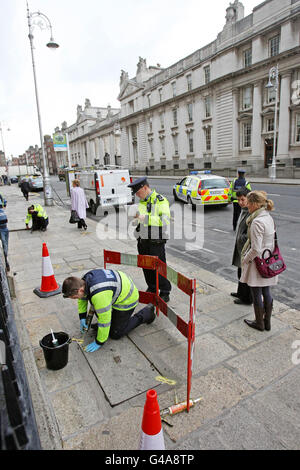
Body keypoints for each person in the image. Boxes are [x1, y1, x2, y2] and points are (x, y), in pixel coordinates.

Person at [62, 269, 156, 353]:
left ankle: (147, 313)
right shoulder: (83, 281)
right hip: (117, 290)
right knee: (99, 307)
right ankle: (111, 324)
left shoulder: (99, 295)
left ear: (81, 290)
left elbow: (105, 320)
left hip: (127, 299)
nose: (76, 299)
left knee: (116, 333)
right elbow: (83, 299)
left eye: (75, 297)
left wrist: (99, 341)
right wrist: (82, 317)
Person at [128, 177, 171, 303]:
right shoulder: (141, 202)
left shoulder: (160, 200)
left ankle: (165, 291)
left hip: (156, 242)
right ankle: (152, 287)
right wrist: (135, 220)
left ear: (145, 188)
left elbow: (165, 220)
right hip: (143, 240)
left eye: (138, 192)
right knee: (146, 266)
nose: (137, 195)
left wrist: (144, 218)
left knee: (159, 267)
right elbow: (141, 220)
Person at [240, 191, 277, 332]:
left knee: (256, 293)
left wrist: (245, 259)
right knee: (266, 290)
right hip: (268, 260)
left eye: (248, 203)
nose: (247, 205)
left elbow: (255, 248)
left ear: (255, 204)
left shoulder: (256, 222)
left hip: (258, 263)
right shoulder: (268, 217)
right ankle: (267, 323)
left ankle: (259, 323)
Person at [231, 188, 252, 305]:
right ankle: (240, 293)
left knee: (245, 274)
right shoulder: (243, 210)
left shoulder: (250, 212)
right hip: (240, 248)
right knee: (240, 272)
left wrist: (241, 238)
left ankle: (246, 298)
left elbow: (250, 234)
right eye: (238, 200)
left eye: (242, 199)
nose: (240, 202)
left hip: (246, 249)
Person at [0, 205, 10, 271]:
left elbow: (6, 220)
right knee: (4, 245)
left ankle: (6, 260)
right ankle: (6, 262)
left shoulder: (2, 211)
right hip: (1, 230)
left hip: (5, 229)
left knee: (6, 246)